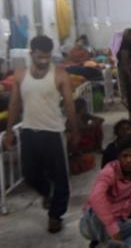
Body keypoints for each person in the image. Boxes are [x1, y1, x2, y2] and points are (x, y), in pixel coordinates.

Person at [2, 35, 79, 233]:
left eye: (47, 57)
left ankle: (55, 215)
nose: (44, 61)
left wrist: (75, 130)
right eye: (39, 57)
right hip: (29, 131)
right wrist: (9, 132)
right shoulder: (20, 75)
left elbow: (70, 105)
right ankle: (46, 191)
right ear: (31, 54)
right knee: (30, 174)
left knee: (60, 177)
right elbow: (14, 104)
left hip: (53, 133)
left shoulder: (60, 75)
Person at [80, 135, 131, 248]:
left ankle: (113, 246)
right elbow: (95, 198)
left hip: (120, 220)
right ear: (119, 157)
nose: (128, 160)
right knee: (96, 210)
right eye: (125, 156)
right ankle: (111, 243)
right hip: (96, 222)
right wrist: (113, 229)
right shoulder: (109, 171)